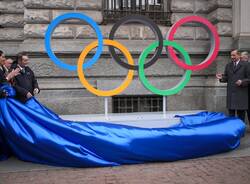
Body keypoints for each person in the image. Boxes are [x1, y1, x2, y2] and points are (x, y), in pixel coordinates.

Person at [216, 50, 250, 122]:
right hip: (231, 95)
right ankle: (233, 132)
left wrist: (242, 81)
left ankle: (241, 133)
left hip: (241, 94)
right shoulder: (228, 65)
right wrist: (221, 78)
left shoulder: (246, 65)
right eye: (231, 55)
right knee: (231, 116)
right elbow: (226, 77)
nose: (232, 57)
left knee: (241, 116)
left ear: (239, 55)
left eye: (234, 55)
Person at [241, 51, 250, 125]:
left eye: (243, 58)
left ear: (247, 58)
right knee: (242, 111)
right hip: (242, 91)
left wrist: (242, 81)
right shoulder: (241, 66)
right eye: (241, 58)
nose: (242, 60)